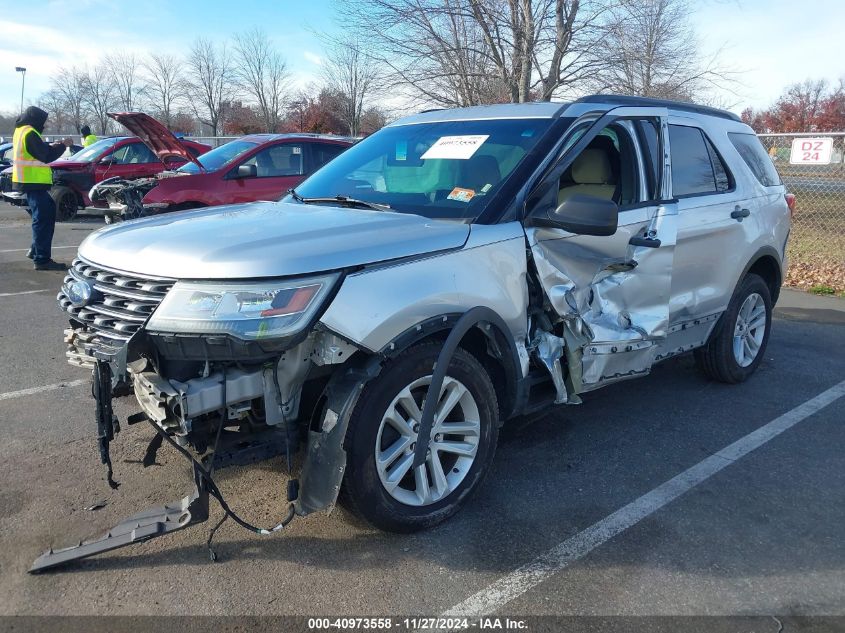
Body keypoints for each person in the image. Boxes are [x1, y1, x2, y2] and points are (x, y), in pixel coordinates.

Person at [12, 106, 73, 271]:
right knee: (43, 219)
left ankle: (36, 250)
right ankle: (41, 259)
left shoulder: (22, 131)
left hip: (30, 183)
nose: (44, 125)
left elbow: (38, 151)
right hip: (33, 183)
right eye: (43, 122)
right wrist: (63, 146)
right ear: (36, 119)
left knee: (46, 214)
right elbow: (45, 155)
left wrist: (53, 146)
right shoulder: (30, 132)